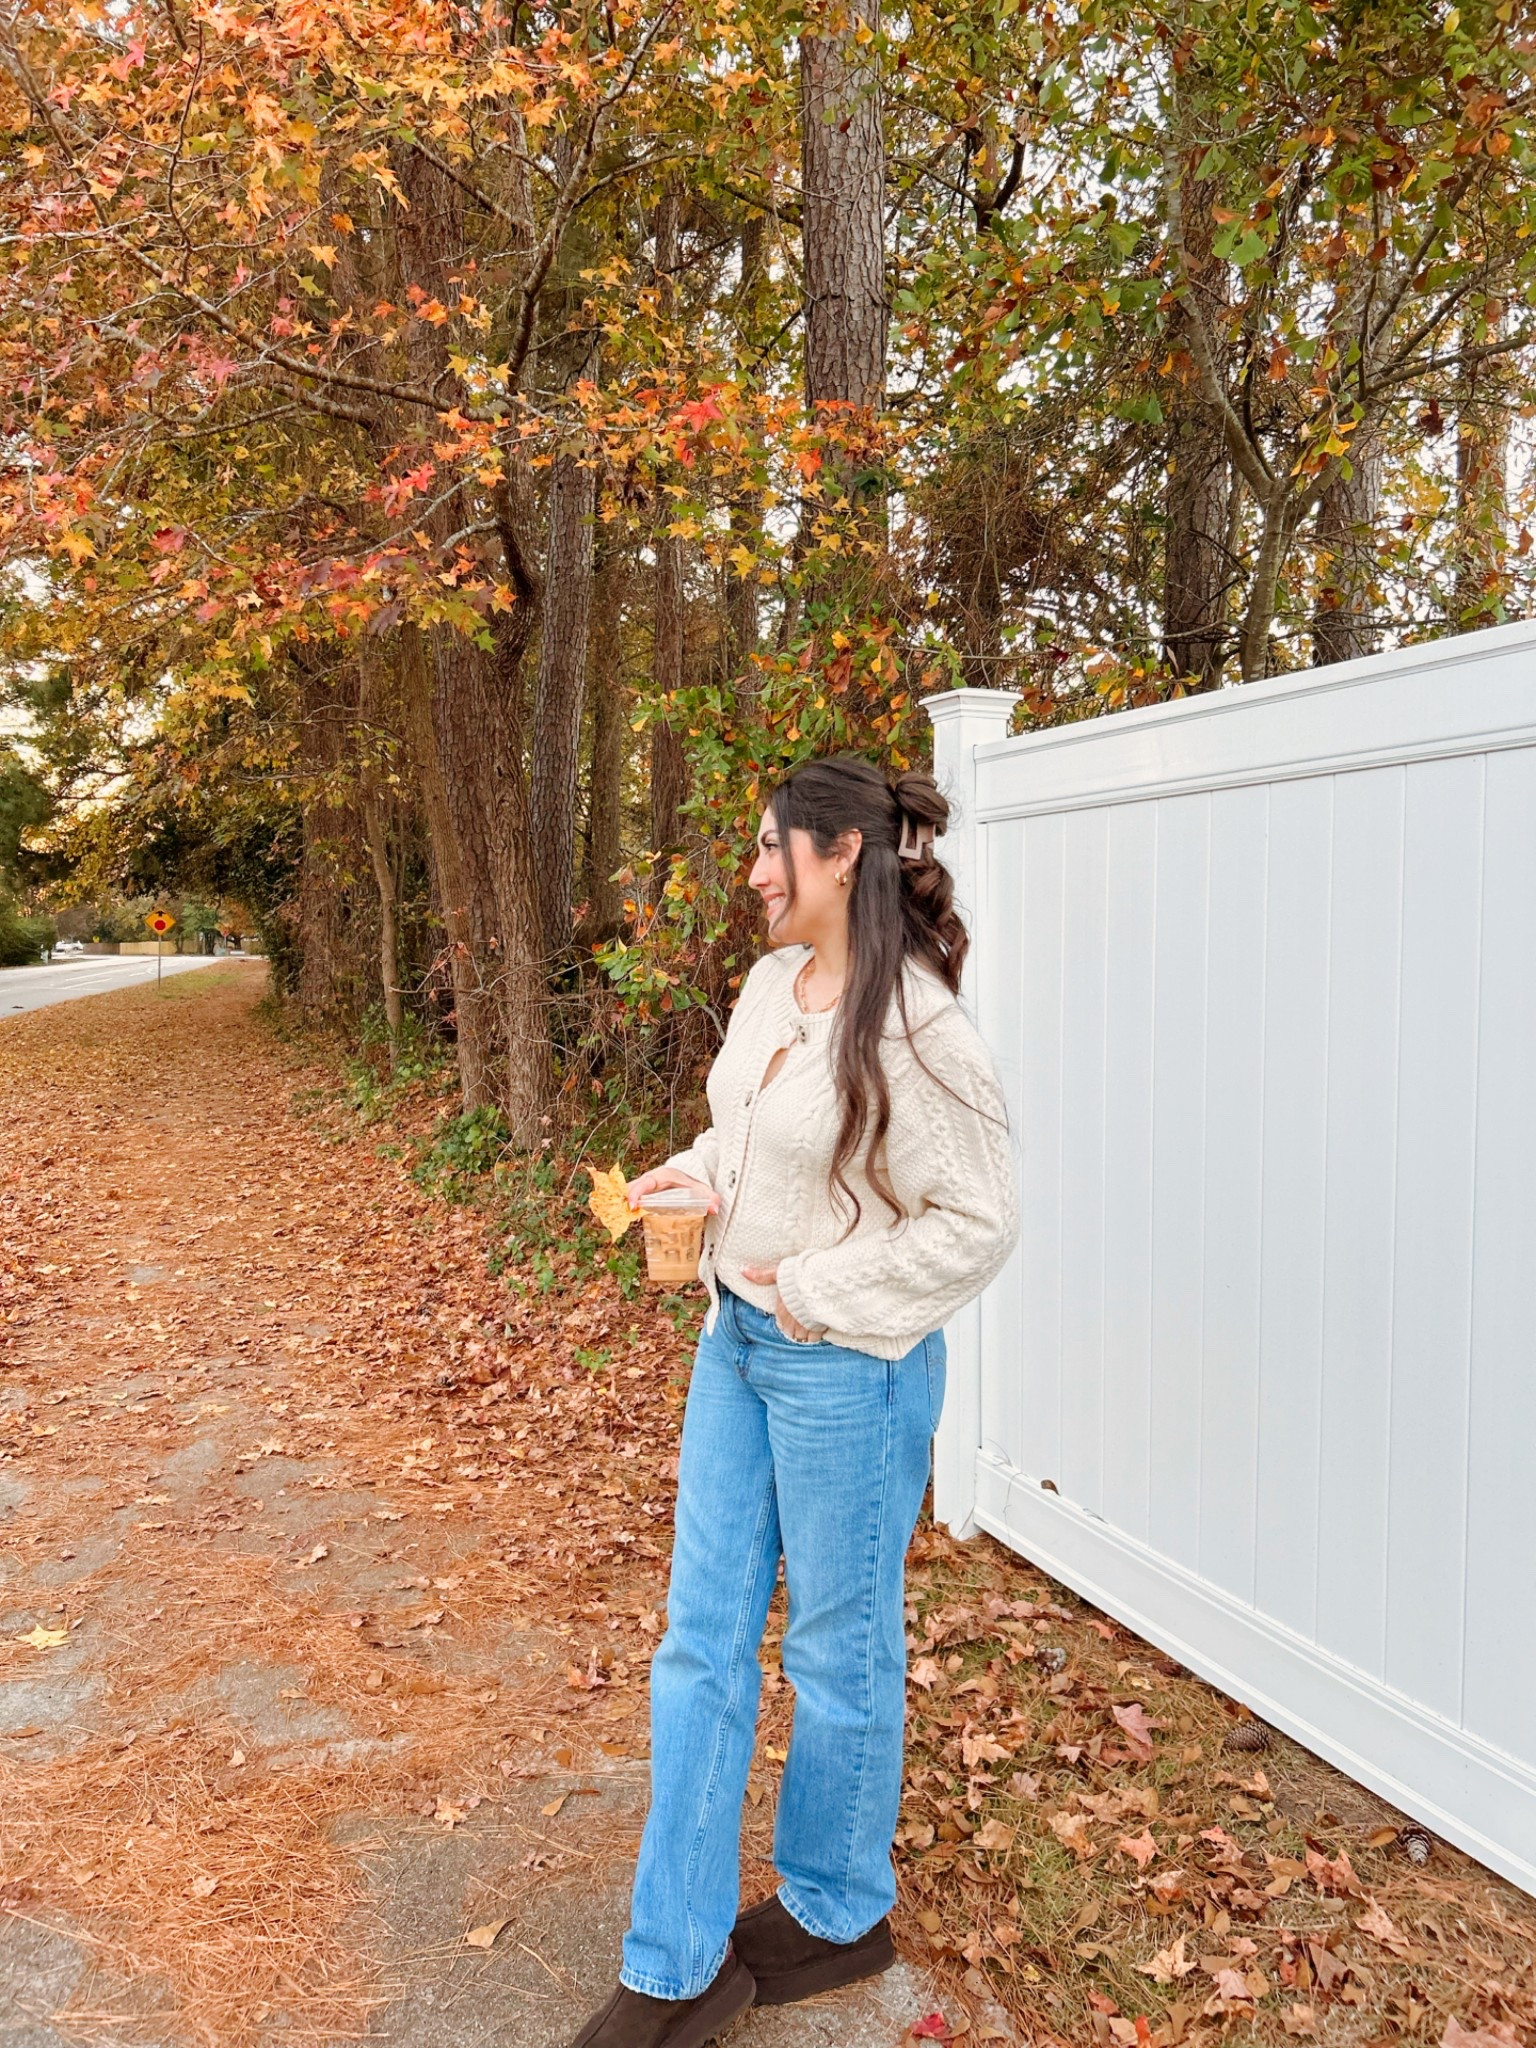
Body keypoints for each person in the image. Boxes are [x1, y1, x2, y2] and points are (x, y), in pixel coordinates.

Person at [566, 756, 1019, 2048]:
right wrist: (696, 1177)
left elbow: (979, 1223)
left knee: (836, 1649)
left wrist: (815, 1284)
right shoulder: (775, 984)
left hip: (850, 1374)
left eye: (776, 847)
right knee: (698, 1643)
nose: (757, 871)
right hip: (737, 1349)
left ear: (844, 857)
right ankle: (675, 1964)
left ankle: (837, 1906)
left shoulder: (920, 1029)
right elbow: (748, 1136)